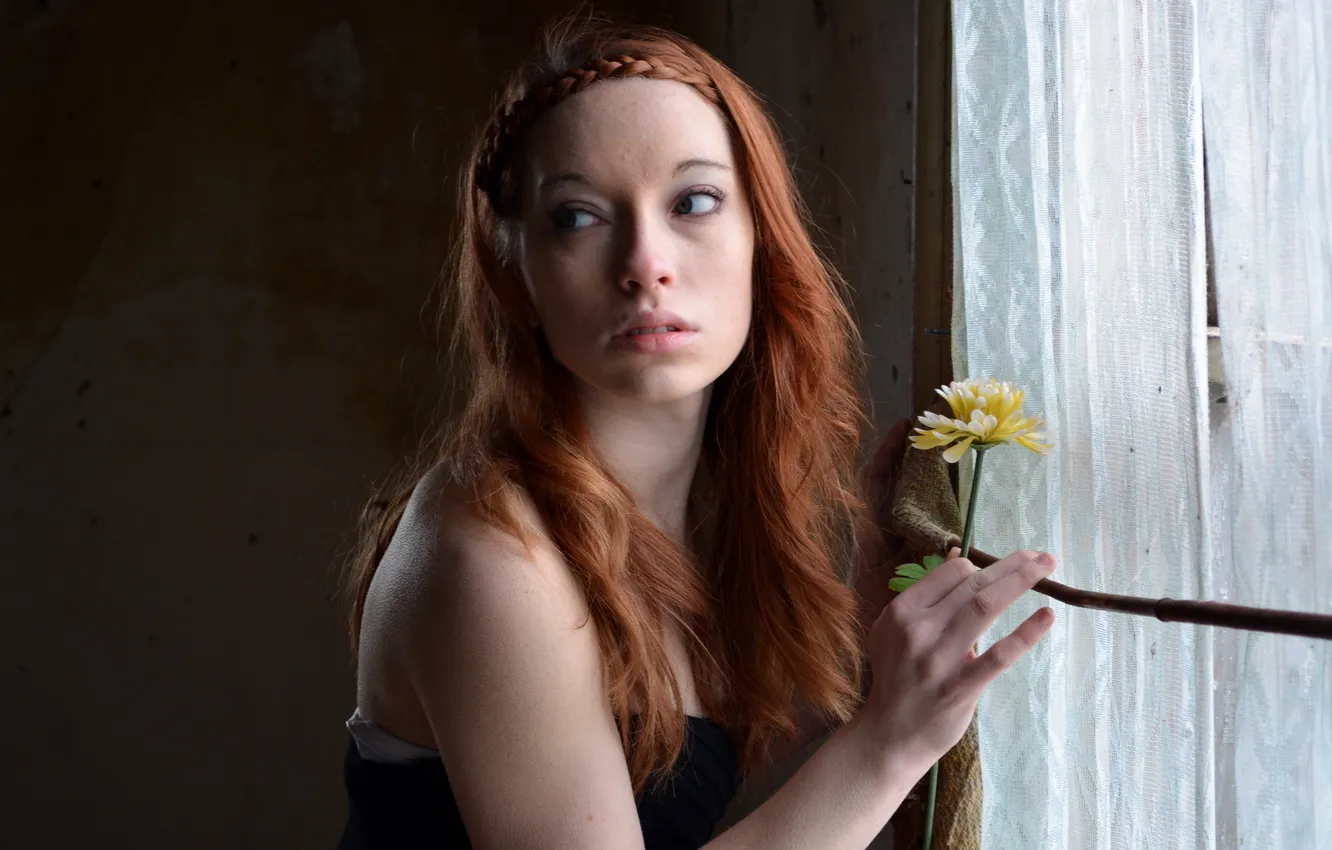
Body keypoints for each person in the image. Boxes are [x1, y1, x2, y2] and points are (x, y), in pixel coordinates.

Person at [336, 17, 1056, 850]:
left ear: (762, 239)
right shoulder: (488, 553)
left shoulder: (706, 519)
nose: (646, 261)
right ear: (516, 274)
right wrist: (888, 742)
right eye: (577, 216)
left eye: (694, 202)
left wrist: (872, 661)